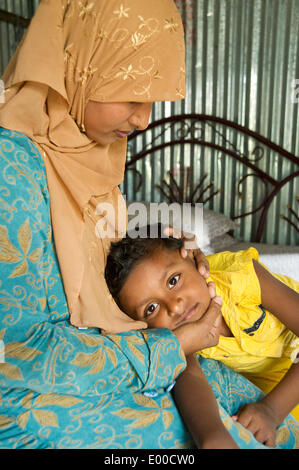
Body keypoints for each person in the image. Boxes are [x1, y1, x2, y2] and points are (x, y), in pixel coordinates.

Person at [0, 0, 295, 450]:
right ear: (82, 64)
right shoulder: (13, 164)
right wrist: (172, 342)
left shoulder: (95, 157)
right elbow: (17, 352)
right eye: (132, 96)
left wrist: (181, 262)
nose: (143, 120)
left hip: (129, 363)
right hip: (48, 393)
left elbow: (115, 260)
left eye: (151, 101)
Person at [105, 225, 299, 447]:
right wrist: (213, 437)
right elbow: (191, 379)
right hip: (276, 376)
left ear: (193, 261)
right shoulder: (180, 333)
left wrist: (272, 410)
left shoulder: (240, 276)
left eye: (173, 280)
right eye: (151, 308)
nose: (175, 307)